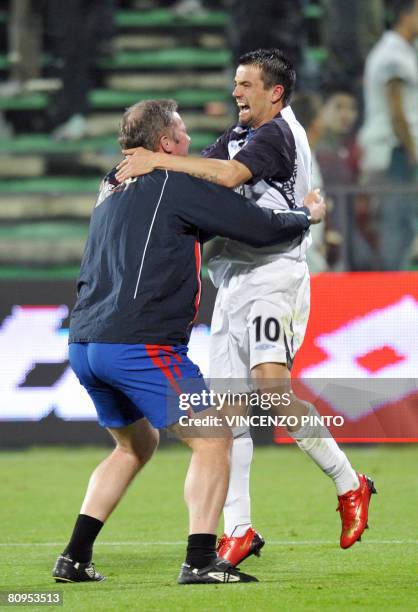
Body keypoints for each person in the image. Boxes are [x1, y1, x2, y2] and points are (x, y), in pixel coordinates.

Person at [116, 49, 376, 566]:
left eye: (245, 84)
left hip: (273, 277)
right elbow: (202, 176)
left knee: (271, 392)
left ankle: (351, 484)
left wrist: (159, 159)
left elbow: (231, 177)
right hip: (232, 280)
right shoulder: (240, 134)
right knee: (226, 413)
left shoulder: (279, 132)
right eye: (235, 82)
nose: (235, 92)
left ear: (274, 92)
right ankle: (239, 527)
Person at [52, 99, 325, 586]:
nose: (190, 143)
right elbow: (257, 228)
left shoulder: (111, 185)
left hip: (87, 341)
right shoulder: (173, 183)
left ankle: (74, 557)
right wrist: (304, 215)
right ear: (165, 145)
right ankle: (200, 560)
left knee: (134, 446)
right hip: (142, 342)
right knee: (215, 437)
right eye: (181, 134)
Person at [360, 0, 418, 270]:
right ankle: (388, 292)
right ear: (407, 15)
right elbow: (397, 113)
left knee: (401, 225)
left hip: (396, 152)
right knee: (396, 226)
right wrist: (413, 152)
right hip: (392, 152)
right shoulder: (392, 54)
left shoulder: (404, 50)